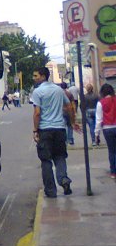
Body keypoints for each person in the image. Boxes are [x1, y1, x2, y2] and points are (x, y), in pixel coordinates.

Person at [32, 67, 78, 197]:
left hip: (45, 130)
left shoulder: (37, 92)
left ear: (42, 76)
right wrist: (72, 122)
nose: (34, 78)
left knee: (46, 160)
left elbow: (37, 113)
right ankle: (63, 179)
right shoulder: (59, 90)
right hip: (60, 129)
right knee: (60, 156)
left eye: (36, 75)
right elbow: (69, 106)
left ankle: (51, 191)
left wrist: (35, 130)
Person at [95, 83, 116, 179]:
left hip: (107, 128)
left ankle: (113, 172)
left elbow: (99, 120)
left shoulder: (100, 103)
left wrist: (97, 134)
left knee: (112, 151)